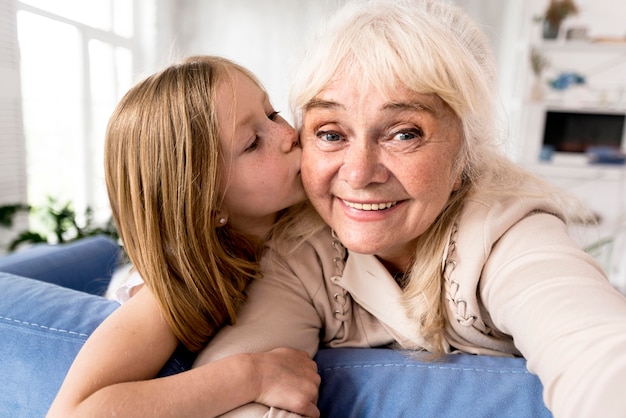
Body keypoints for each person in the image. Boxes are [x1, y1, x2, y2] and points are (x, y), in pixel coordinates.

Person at [194, 0, 626, 417]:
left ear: (466, 153)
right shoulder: (300, 249)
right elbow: (239, 383)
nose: (360, 173)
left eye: (403, 134)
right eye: (330, 133)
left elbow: (599, 358)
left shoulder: (507, 234)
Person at [47, 55, 321, 417]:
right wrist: (251, 374)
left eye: (272, 113)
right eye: (253, 142)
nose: (289, 134)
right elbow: (73, 414)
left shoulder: (302, 223)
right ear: (207, 205)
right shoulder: (179, 286)